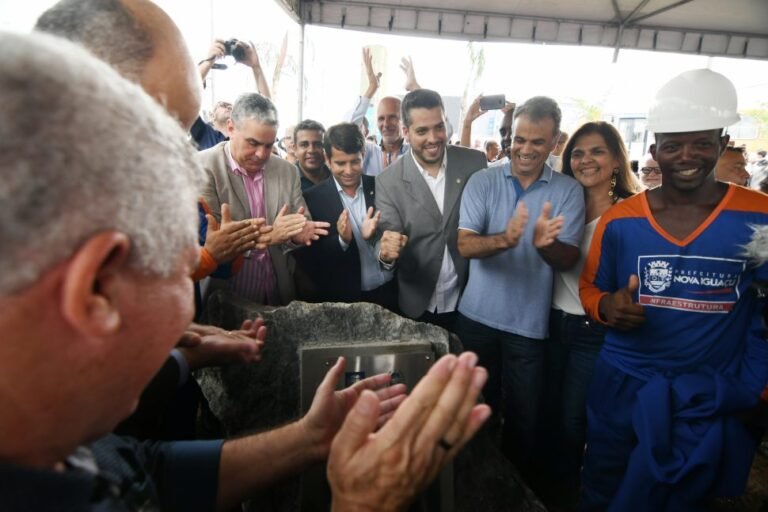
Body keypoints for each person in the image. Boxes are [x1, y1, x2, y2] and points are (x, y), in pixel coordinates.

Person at [0, 28, 492, 512]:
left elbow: (152, 470)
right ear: (92, 288)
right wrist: (360, 501)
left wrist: (308, 437)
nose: (191, 286)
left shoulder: (71, 445)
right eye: (176, 263)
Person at [579, 69, 768, 510]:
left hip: (705, 392)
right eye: (673, 145)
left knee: (684, 496)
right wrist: (607, 306)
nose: (687, 156)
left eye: (701, 143)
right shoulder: (620, 220)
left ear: (722, 143)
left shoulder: (759, 217)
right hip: (623, 382)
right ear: (654, 151)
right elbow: (589, 288)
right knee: (606, 485)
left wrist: (754, 386)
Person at [454, 96, 584, 483]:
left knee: (524, 419)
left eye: (537, 142)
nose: (525, 149)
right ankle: (472, 483)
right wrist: (506, 239)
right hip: (475, 319)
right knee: (473, 408)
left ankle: (512, 489)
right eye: (519, 139)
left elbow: (568, 259)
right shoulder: (483, 180)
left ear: (555, 142)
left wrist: (545, 246)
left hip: (529, 327)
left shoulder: (568, 191)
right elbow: (465, 245)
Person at [543, 121, 640, 506]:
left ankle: (570, 495)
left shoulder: (632, 212)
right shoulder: (560, 203)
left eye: (597, 151)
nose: (585, 160)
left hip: (594, 330)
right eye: (578, 153)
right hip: (550, 322)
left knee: (574, 419)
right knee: (548, 412)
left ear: (616, 159)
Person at [200, 93, 330, 305]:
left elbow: (300, 220)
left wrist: (296, 235)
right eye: (253, 143)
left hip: (278, 293)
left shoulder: (287, 171)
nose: (261, 154)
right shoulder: (203, 167)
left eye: (269, 145)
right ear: (231, 128)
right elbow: (212, 240)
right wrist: (271, 236)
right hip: (224, 298)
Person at [375, 89, 488, 329]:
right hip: (417, 304)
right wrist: (386, 254)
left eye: (439, 127)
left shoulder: (475, 163)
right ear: (406, 132)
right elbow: (389, 239)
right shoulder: (387, 182)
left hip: (470, 302)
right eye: (422, 131)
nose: (434, 138)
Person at [296, 122, 401, 309]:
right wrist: (342, 240)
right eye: (340, 163)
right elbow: (313, 258)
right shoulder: (312, 200)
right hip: (345, 300)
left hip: (390, 292)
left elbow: (398, 237)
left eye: (355, 161)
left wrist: (378, 240)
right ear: (328, 160)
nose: (349, 170)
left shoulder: (382, 187)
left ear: (364, 155)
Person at [192, 38, 271, 150]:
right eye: (222, 105)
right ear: (212, 116)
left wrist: (256, 67)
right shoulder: (203, 133)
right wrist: (209, 60)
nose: (228, 106)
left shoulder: (244, 135)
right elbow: (187, 93)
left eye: (231, 106)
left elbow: (266, 110)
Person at [294, 119, 331, 191]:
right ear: (295, 149)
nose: (311, 150)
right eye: (304, 145)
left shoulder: (337, 178)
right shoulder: (287, 180)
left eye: (318, 144)